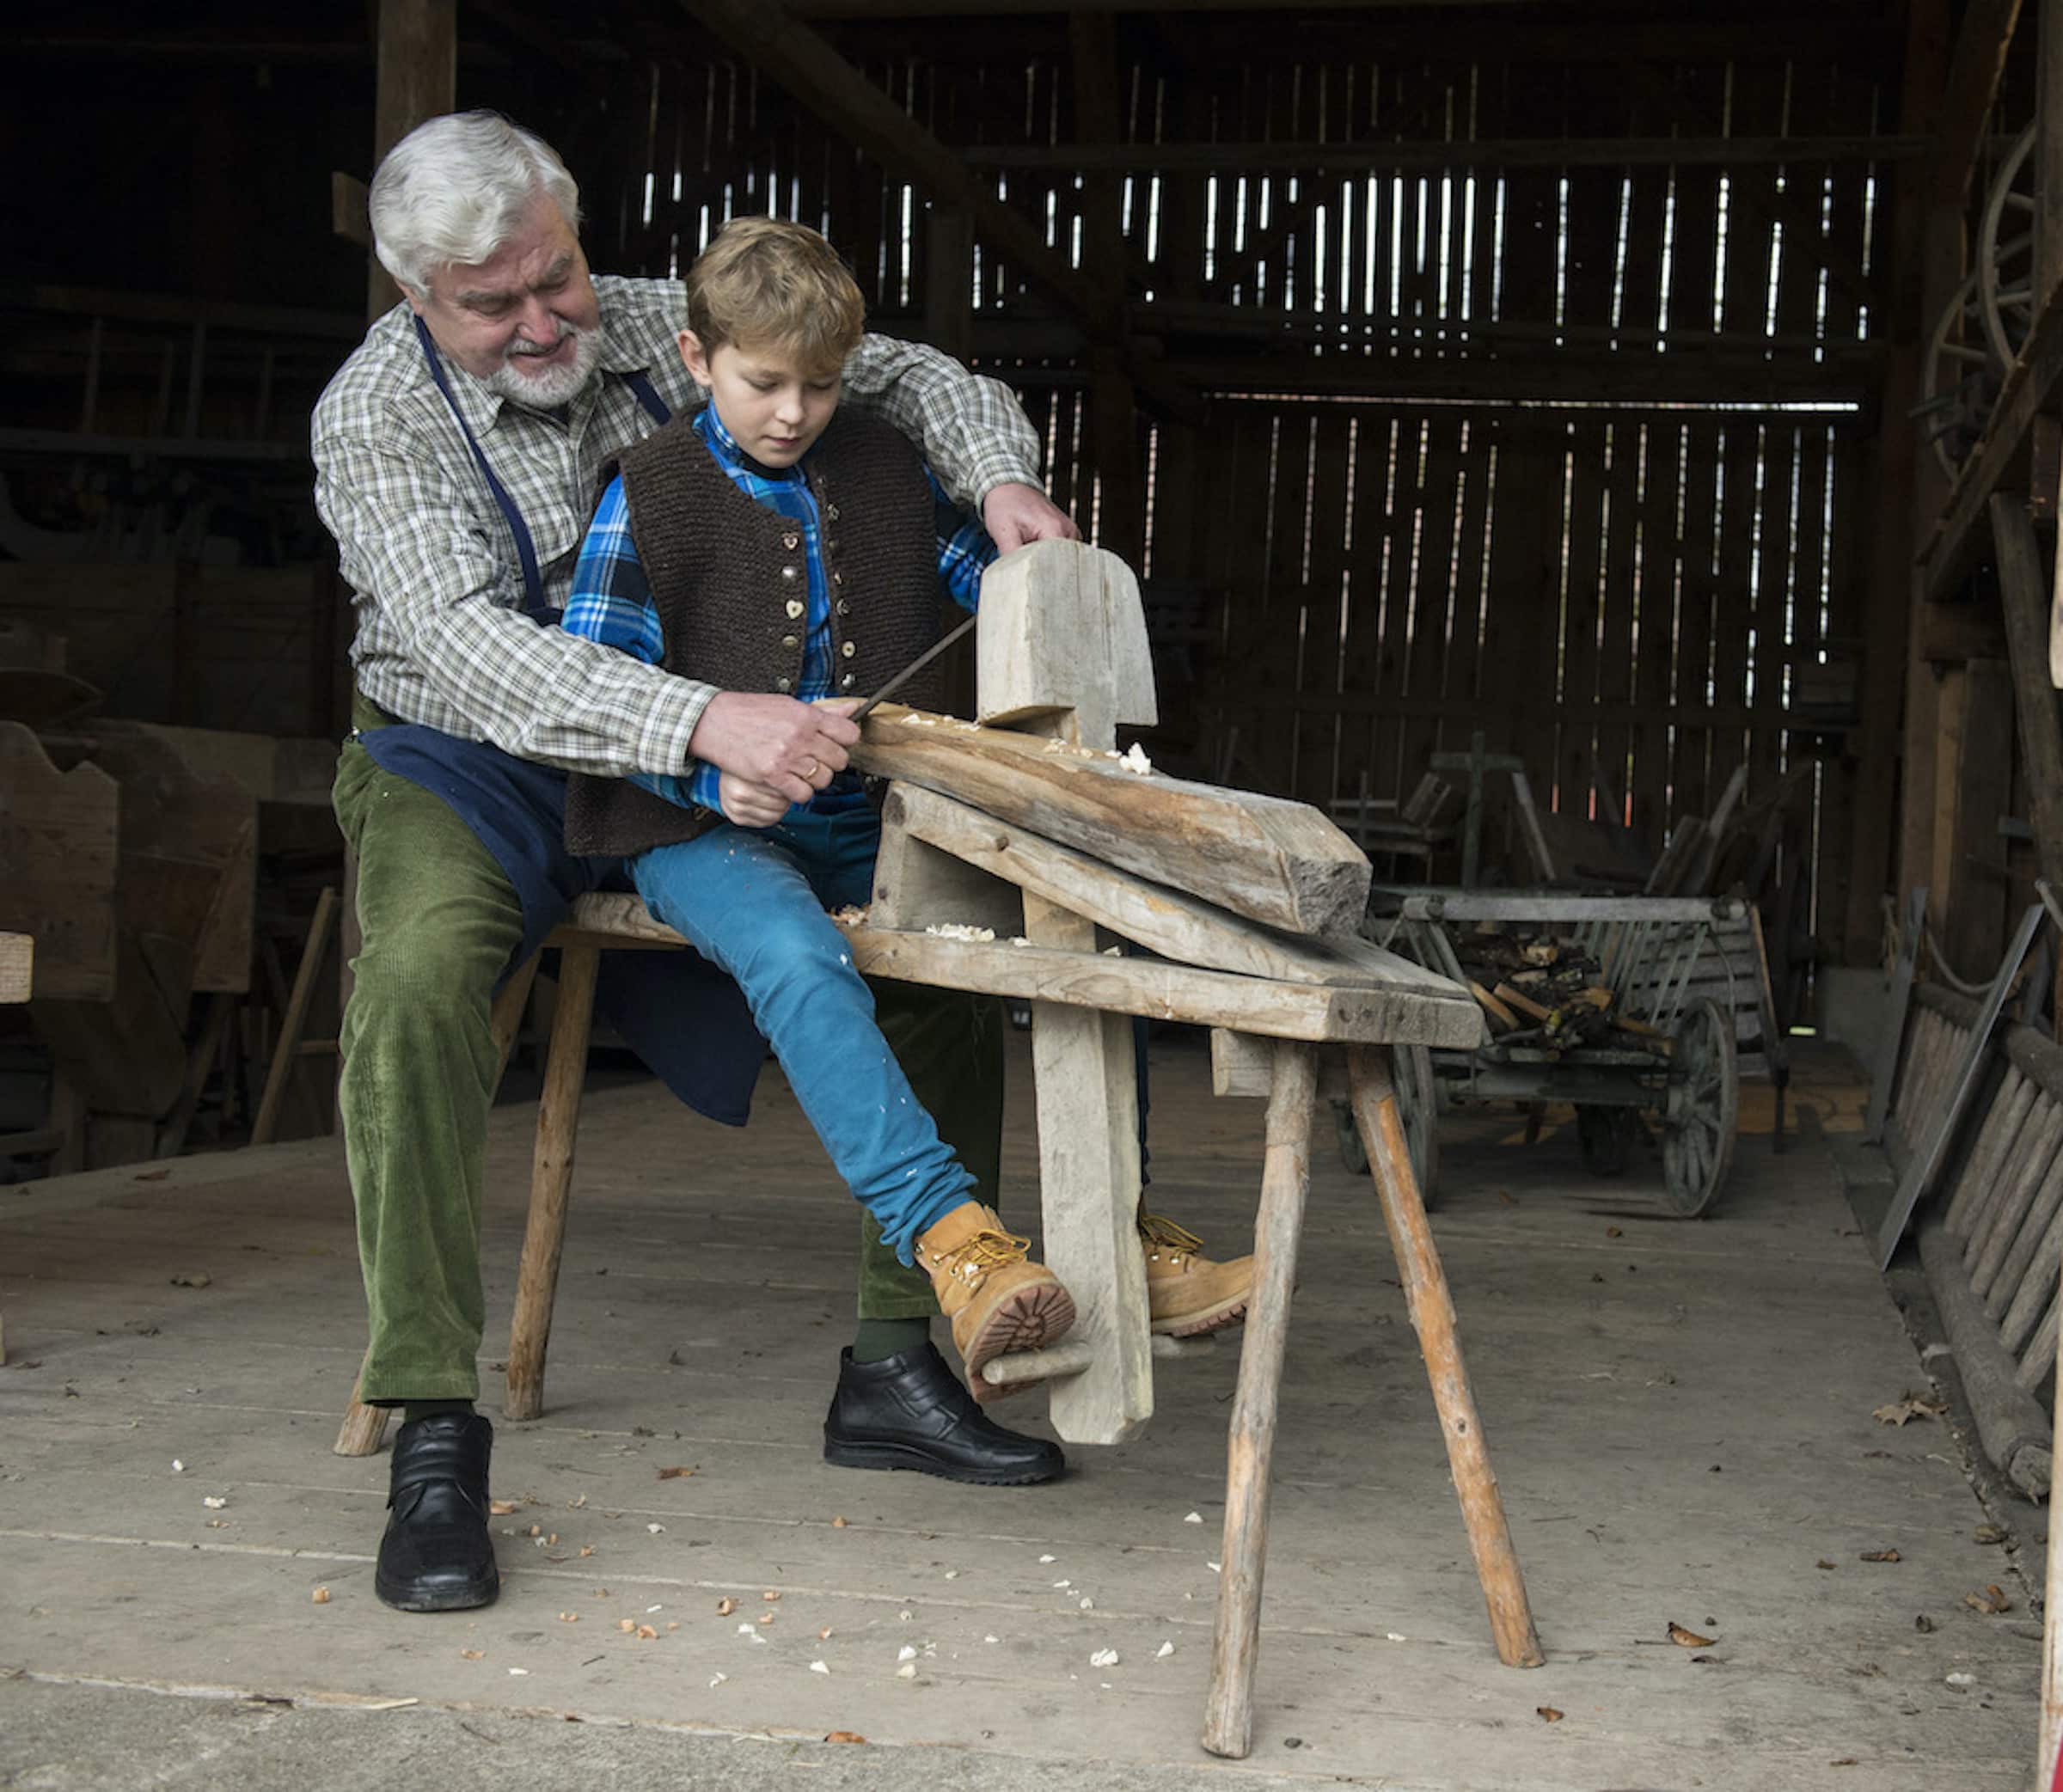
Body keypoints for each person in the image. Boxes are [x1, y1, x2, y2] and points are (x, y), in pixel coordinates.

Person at [307, 112, 1238, 1618]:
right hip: (468, 754)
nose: (550, 319)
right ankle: (431, 1418)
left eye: (556, 276)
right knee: (413, 987)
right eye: (499, 305)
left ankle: (897, 1357)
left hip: (711, 753)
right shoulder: (373, 420)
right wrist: (701, 717)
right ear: (416, 292)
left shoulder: (659, 324)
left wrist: (995, 480)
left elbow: (910, 374)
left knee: (929, 926)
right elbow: (473, 652)